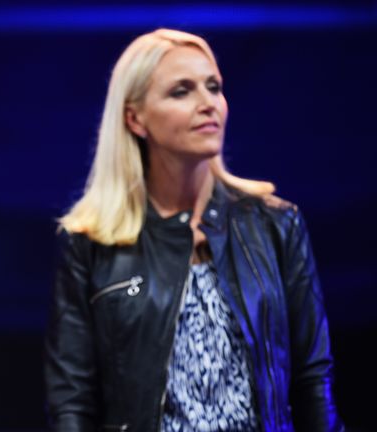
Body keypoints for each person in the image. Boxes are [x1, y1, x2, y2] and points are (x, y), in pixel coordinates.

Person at [44, 29, 342, 431]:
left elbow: (312, 380)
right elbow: (71, 402)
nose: (208, 104)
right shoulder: (93, 244)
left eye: (213, 87)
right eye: (181, 91)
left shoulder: (275, 225)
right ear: (135, 118)